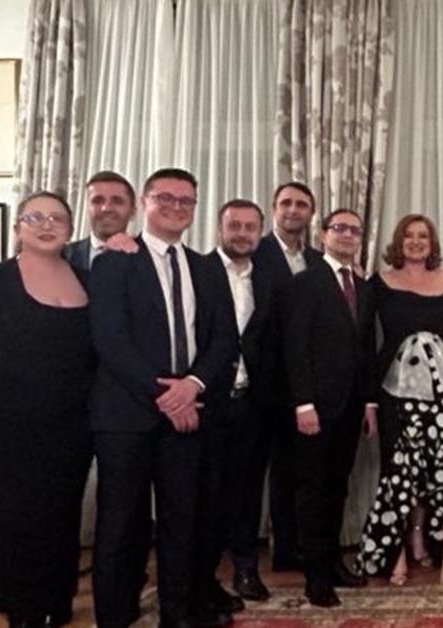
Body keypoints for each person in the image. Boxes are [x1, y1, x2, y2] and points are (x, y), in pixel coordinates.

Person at [88, 168, 237, 628]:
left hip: (189, 414)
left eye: (186, 201)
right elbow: (110, 339)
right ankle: (115, 617)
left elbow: (224, 339)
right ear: (145, 203)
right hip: (126, 417)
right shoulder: (114, 261)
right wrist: (165, 395)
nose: (176, 207)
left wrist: (193, 386)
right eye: (165, 198)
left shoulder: (206, 268)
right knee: (121, 525)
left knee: (183, 522)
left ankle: (178, 613)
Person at [0, 192, 96, 628]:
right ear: (17, 229)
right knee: (12, 519)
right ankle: (20, 609)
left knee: (62, 514)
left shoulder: (88, 279)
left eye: (57, 218)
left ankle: (57, 600)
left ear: (70, 228)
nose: (47, 225)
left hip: (71, 424)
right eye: (35, 217)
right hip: (4, 422)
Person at [356, 214, 443, 585]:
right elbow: (365, 343)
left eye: (423, 235)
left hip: (440, 393)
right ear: (399, 241)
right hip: (393, 392)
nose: (416, 241)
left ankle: (420, 536)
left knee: (432, 467)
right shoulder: (379, 283)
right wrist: (368, 400)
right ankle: (395, 551)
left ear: (432, 243)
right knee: (398, 470)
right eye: (409, 235)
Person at [284, 209, 379, 608]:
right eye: (339, 228)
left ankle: (334, 563)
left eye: (355, 230)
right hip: (315, 408)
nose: (347, 235)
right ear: (323, 235)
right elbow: (295, 347)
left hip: (351, 407)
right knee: (313, 492)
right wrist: (303, 403)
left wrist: (369, 402)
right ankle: (316, 577)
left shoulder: (363, 286)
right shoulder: (305, 283)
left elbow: (365, 349)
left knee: (338, 489)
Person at [190, 199, 267, 616]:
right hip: (207, 401)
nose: (242, 234)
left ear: (260, 232)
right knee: (206, 495)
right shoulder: (196, 271)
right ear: (220, 228)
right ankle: (203, 579)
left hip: (252, 402)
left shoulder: (268, 276)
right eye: (234, 225)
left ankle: (245, 569)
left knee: (248, 491)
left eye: (250, 227)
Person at [245, 181, 325, 578]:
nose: (293, 210)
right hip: (261, 382)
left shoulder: (317, 260)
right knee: (258, 473)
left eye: (301, 204)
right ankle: (254, 558)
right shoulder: (254, 252)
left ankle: (291, 548)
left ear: (311, 213)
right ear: (274, 208)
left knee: (296, 470)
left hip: (305, 384)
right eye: (286, 203)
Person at [65, 171, 137, 272]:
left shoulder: (149, 258)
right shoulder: (61, 257)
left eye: (117, 201)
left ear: (133, 211)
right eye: (97, 201)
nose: (106, 208)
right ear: (87, 208)